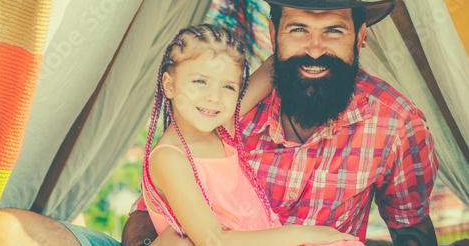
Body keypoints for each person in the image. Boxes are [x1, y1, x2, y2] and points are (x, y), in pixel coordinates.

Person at [124, 0, 438, 246]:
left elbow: (411, 227)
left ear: (361, 37)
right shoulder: (223, 112)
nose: (315, 49)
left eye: (333, 31)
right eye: (298, 30)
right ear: (273, 34)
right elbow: (149, 208)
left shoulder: (397, 124)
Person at [140, 23, 361, 246]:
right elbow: (214, 240)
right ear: (169, 85)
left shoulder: (221, 130)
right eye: (200, 81)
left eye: (228, 87)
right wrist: (305, 233)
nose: (214, 97)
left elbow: (271, 68)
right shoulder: (170, 157)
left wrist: (311, 38)